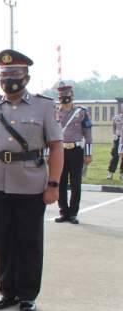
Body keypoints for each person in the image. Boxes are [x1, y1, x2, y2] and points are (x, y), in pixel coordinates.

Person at [0, 49, 63, 311]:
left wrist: (54, 185)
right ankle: (7, 291)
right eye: (4, 74)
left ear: (26, 76)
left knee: (28, 241)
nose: (9, 79)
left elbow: (56, 147)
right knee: (1, 240)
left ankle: (27, 295)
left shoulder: (44, 106)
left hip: (31, 183)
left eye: (15, 73)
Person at [55, 82, 92, 224]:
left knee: (76, 183)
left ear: (72, 96)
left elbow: (88, 134)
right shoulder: (55, 113)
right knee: (61, 183)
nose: (64, 98)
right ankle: (63, 212)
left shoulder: (81, 112)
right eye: (61, 96)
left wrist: (88, 153)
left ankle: (73, 213)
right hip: (60, 151)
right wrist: (47, 153)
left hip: (76, 151)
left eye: (67, 95)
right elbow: (49, 135)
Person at [108, 106, 123, 180]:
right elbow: (113, 127)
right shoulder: (116, 118)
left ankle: (121, 174)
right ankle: (110, 173)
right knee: (115, 156)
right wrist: (114, 134)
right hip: (117, 138)